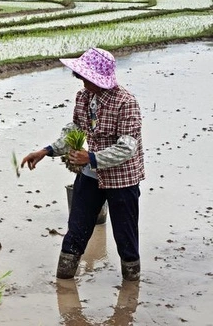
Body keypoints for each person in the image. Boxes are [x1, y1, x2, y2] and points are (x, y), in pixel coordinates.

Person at [21, 47, 144, 281]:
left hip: (122, 180)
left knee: (126, 236)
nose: (78, 78)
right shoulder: (84, 97)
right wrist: (46, 151)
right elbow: (75, 129)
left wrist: (93, 158)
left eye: (83, 75)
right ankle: (64, 284)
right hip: (90, 176)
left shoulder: (126, 103)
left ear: (96, 78)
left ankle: (130, 292)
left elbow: (128, 147)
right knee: (75, 231)